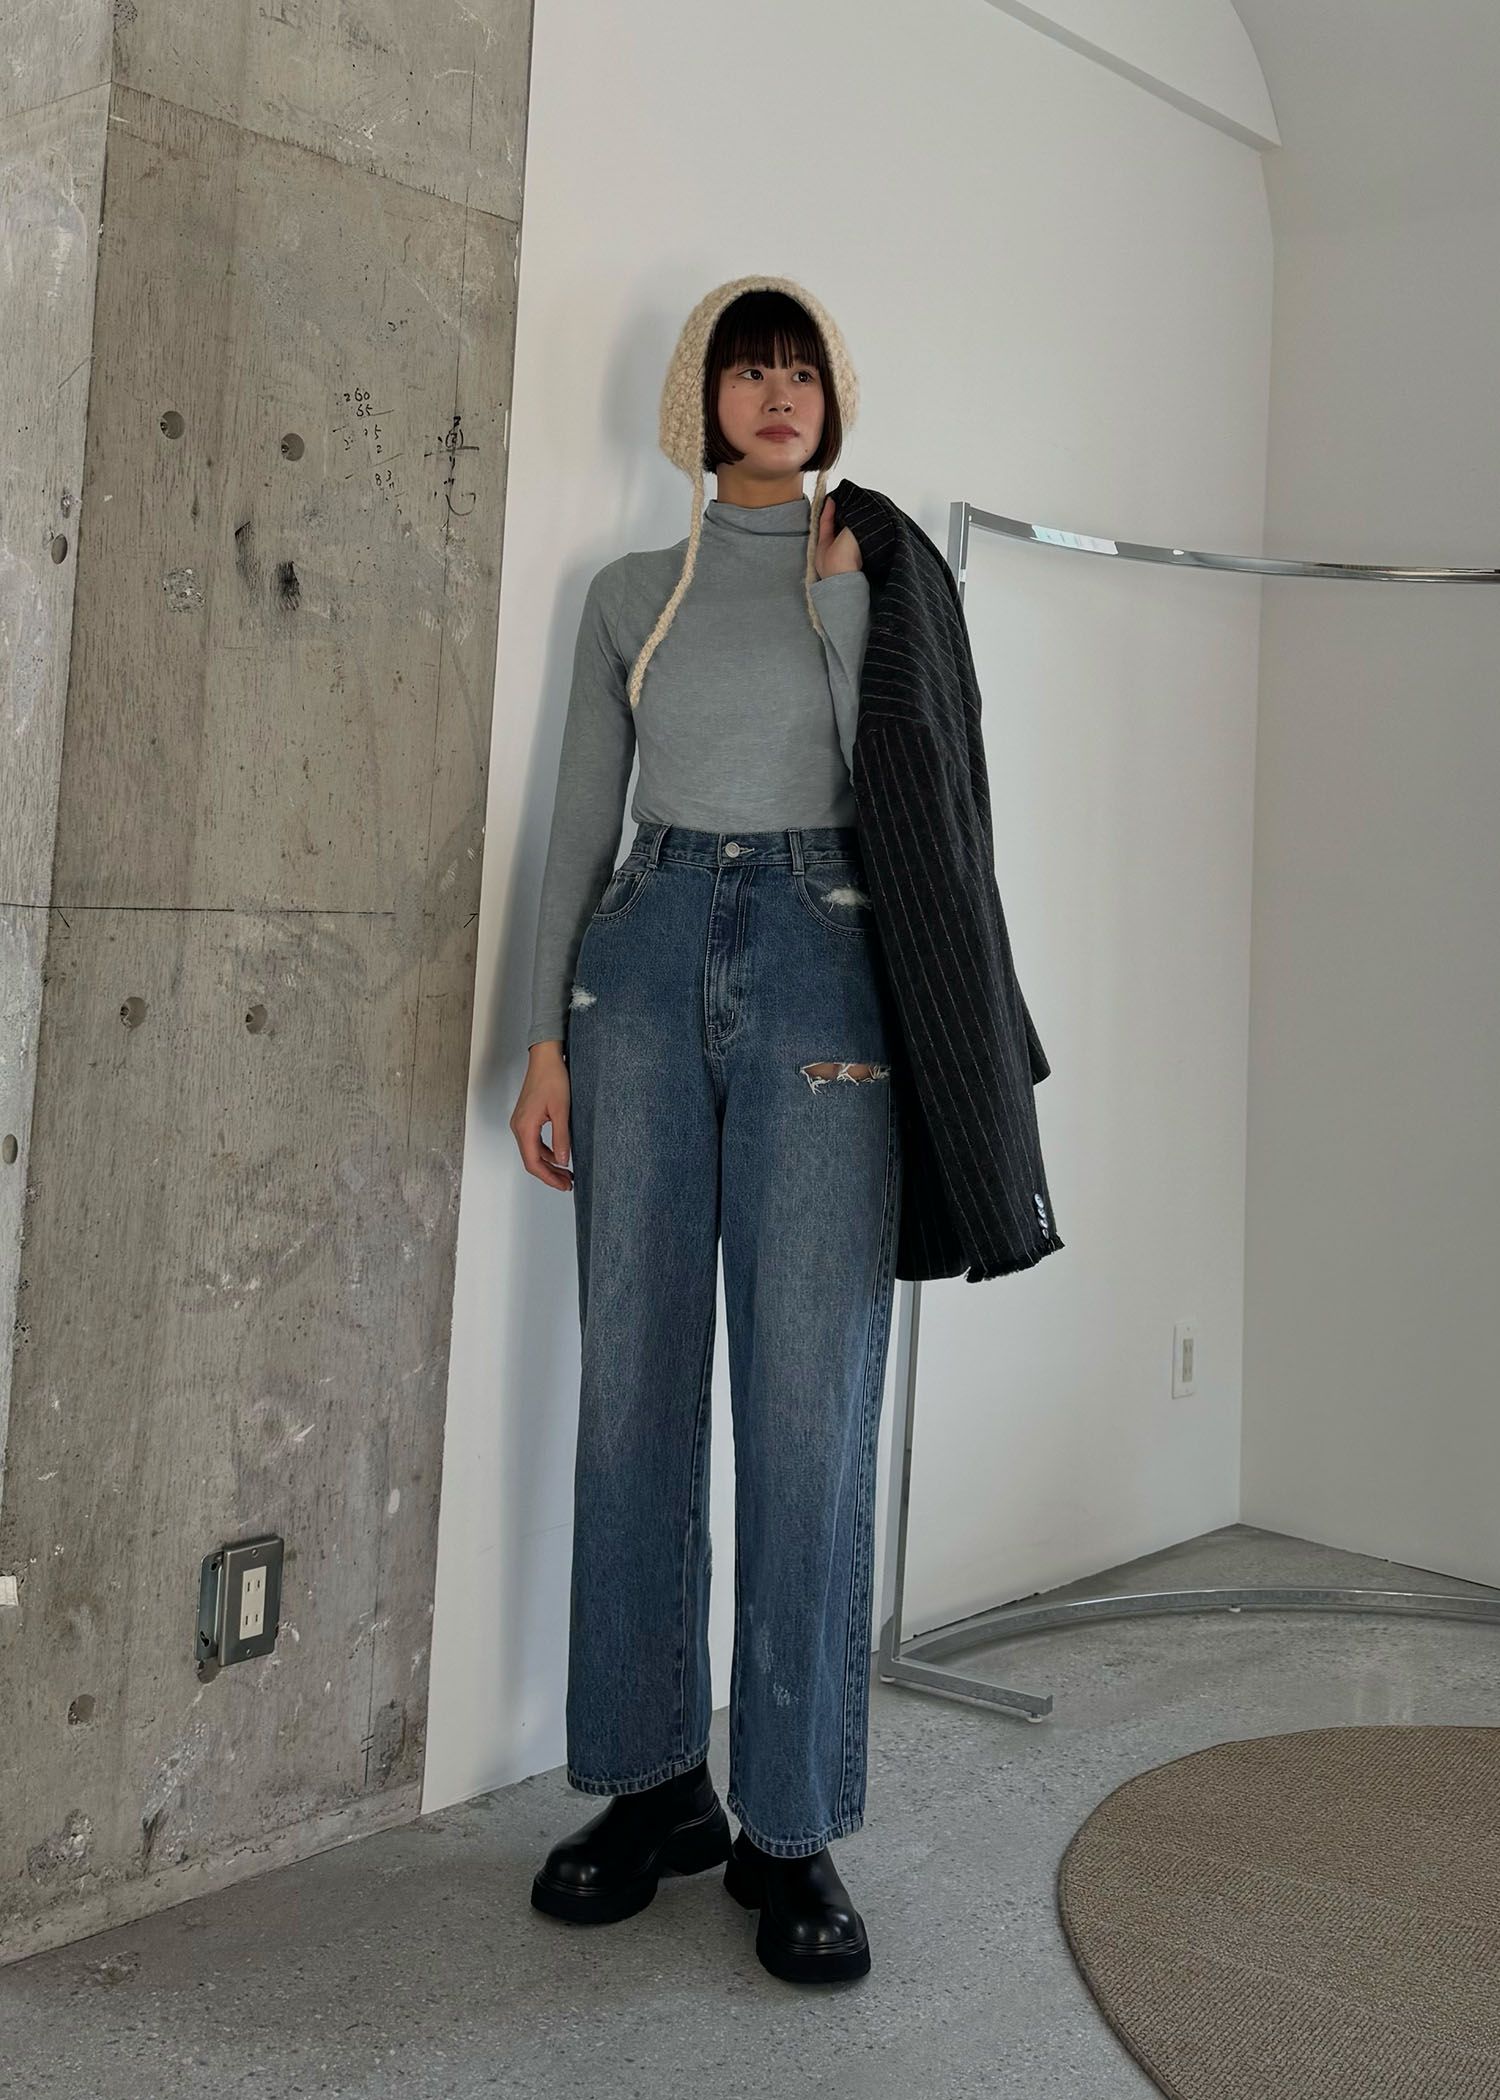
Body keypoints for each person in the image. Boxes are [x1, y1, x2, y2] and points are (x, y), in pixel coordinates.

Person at [511, 275, 901, 1986]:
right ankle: (652, 1782)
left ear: (832, 399)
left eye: (799, 368)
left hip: (827, 963)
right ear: (704, 398)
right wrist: (544, 1036)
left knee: (806, 1410)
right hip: (646, 958)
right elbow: (575, 823)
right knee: (634, 1393)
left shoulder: (875, 576)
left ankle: (791, 1827)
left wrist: (843, 604)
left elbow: (908, 792)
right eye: (748, 368)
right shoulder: (627, 595)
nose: (775, 391)